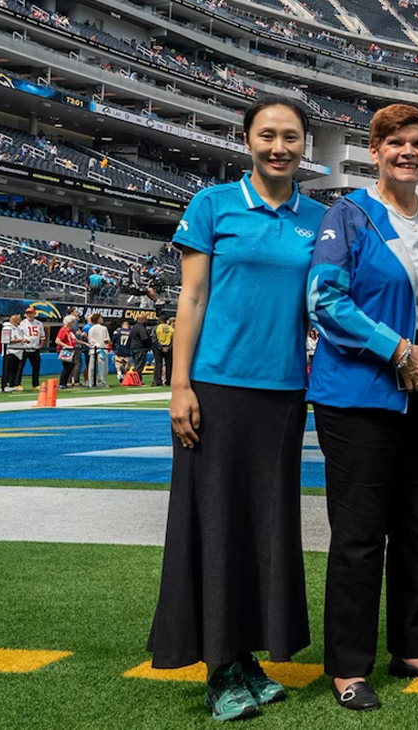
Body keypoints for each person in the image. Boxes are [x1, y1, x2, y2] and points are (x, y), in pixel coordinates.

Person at [147, 97, 323, 722]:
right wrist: (180, 385)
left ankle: (248, 655)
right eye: (267, 135)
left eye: (291, 137)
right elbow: (190, 300)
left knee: (265, 529)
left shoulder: (319, 219)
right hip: (216, 390)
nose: (279, 147)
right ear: (246, 140)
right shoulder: (213, 205)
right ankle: (220, 666)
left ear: (307, 146)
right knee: (215, 525)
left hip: (283, 396)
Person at [308, 103, 418, 712]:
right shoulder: (348, 214)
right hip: (361, 391)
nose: (409, 151)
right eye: (396, 142)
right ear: (374, 151)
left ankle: (412, 647)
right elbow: (324, 298)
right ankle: (349, 665)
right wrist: (398, 349)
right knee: (358, 534)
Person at [19, 307, 46, 389]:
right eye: (27, 313)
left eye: (30, 313)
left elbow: (42, 336)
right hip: (24, 348)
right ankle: (17, 383)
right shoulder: (22, 323)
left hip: (35, 348)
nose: (29, 315)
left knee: (36, 367)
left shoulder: (39, 323)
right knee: (20, 367)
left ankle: (35, 384)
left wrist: (41, 345)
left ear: (34, 314)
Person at [0, 313, 25, 393]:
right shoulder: (7, 328)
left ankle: (12, 384)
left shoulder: (17, 328)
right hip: (9, 352)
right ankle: (4, 385)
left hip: (18, 352)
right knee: (7, 370)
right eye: (18, 319)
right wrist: (21, 340)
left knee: (14, 370)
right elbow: (7, 340)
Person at [85, 314, 110, 388]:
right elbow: (106, 340)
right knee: (102, 367)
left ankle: (91, 382)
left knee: (91, 367)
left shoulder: (91, 329)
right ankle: (101, 382)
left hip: (93, 349)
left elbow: (90, 340)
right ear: (98, 319)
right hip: (101, 349)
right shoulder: (103, 328)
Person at [55, 315, 79, 390]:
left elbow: (74, 340)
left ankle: (64, 383)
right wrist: (66, 346)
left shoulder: (70, 331)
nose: (73, 323)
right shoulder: (63, 330)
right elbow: (57, 340)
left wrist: (84, 343)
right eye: (72, 321)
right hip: (65, 350)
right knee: (66, 367)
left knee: (69, 366)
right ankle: (62, 383)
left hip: (70, 350)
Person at [154, 318, 174, 386]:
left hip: (159, 348)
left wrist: (160, 347)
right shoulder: (170, 328)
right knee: (169, 365)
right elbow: (173, 339)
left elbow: (154, 338)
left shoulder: (157, 328)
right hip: (168, 347)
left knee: (158, 364)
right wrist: (168, 347)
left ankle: (157, 381)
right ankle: (169, 380)